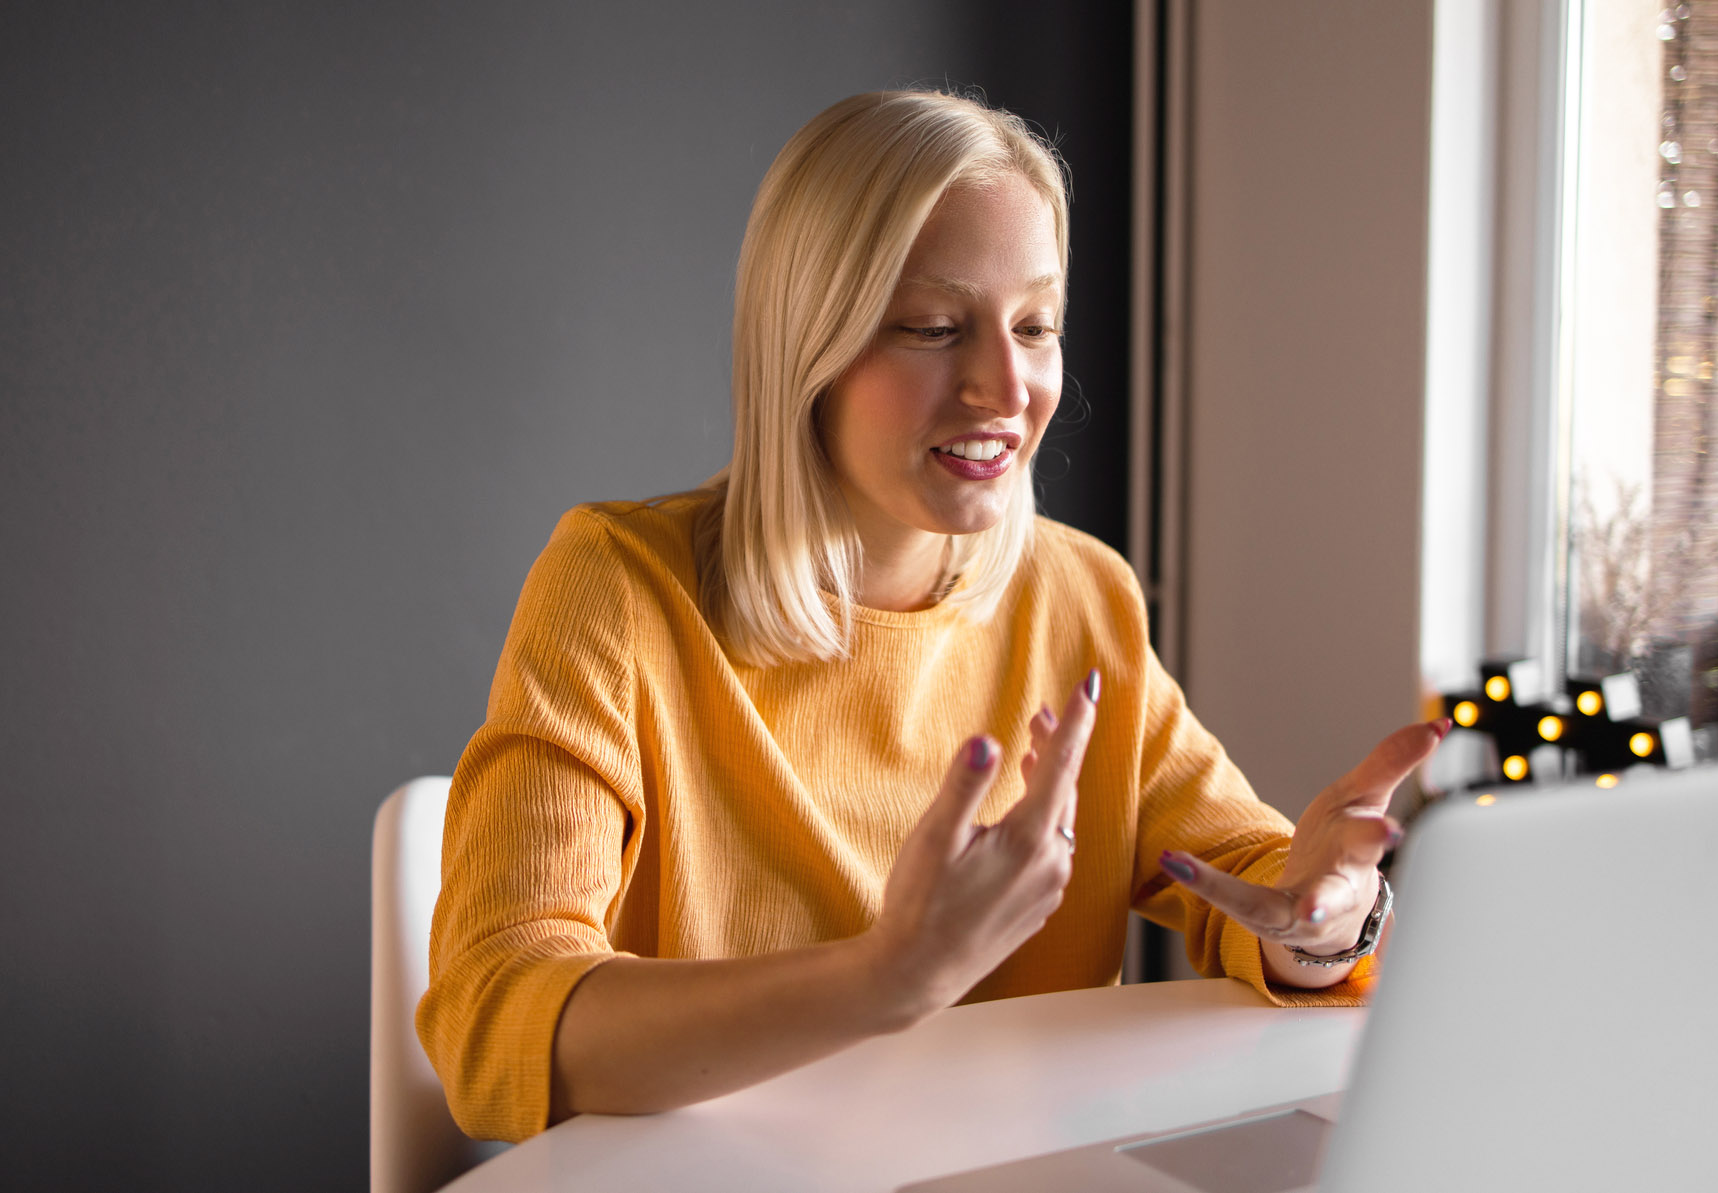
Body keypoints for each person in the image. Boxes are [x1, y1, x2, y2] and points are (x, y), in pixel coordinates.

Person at [417, 89, 1446, 1144]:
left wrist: (1319, 919)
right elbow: (495, 1008)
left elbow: (1240, 877)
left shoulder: (1078, 595)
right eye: (934, 327)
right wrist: (878, 980)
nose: (1006, 385)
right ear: (807, 345)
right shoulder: (620, 589)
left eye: (1036, 325)